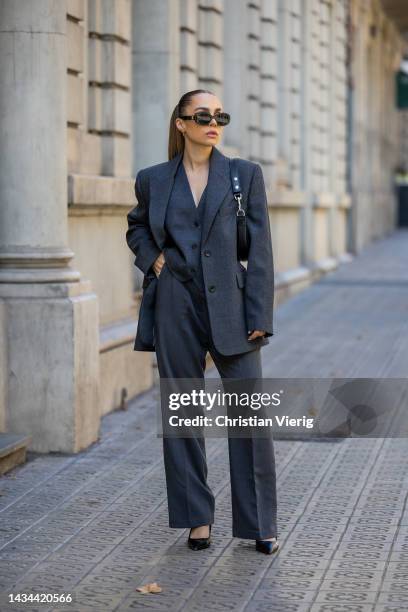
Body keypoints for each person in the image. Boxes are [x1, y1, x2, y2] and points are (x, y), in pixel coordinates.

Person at [126, 89, 278, 554]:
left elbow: (262, 250)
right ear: (182, 124)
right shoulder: (153, 179)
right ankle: (196, 518)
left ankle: (259, 524)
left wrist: (260, 315)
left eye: (220, 116)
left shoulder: (243, 175)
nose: (213, 123)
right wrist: (154, 264)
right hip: (175, 302)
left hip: (232, 304)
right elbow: (135, 226)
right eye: (203, 115)